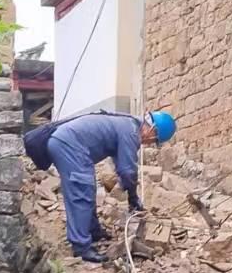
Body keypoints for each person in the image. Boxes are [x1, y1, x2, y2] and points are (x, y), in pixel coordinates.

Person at [45, 109, 176, 264]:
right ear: (152, 130)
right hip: (68, 144)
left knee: (88, 187)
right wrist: (133, 197)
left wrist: (128, 190)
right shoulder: (131, 131)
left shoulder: (127, 124)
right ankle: (81, 247)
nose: (148, 144)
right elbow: (128, 171)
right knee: (81, 190)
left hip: (67, 142)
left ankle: (93, 231)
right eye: (153, 140)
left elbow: (121, 164)